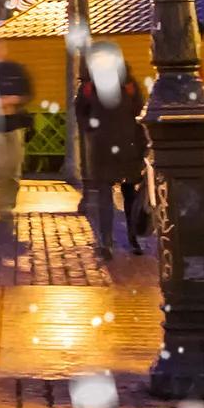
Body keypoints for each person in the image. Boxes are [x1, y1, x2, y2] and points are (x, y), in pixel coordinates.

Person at [72, 57, 149, 259]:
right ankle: (122, 240)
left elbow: (81, 113)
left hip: (112, 146)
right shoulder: (124, 84)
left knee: (114, 194)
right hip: (121, 145)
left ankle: (112, 241)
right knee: (122, 193)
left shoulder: (95, 85)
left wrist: (92, 129)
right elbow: (140, 113)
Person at [0, 41, 37, 220]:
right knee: (0, 166)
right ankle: (3, 202)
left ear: (4, 49)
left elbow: (29, 93)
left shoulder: (15, 70)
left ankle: (8, 199)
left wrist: (14, 100)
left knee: (14, 166)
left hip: (14, 124)